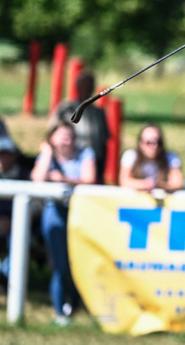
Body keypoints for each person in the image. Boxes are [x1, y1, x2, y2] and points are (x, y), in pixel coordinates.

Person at [30, 121, 97, 325]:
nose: (67, 139)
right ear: (52, 138)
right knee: (59, 265)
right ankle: (60, 311)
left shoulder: (85, 154)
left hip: (81, 215)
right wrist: (48, 154)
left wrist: (64, 179)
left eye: (70, 135)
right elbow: (37, 180)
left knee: (78, 263)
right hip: (54, 216)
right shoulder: (47, 157)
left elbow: (90, 179)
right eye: (62, 135)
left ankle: (77, 304)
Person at [51, 70, 110, 182]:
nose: (87, 89)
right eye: (84, 86)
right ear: (77, 87)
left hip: (95, 161)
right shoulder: (65, 109)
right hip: (71, 160)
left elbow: (104, 141)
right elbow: (51, 133)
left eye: (90, 86)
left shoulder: (99, 112)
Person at [0, 135, 31, 289]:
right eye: (1, 154)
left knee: (20, 237)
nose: (4, 158)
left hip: (20, 224)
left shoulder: (25, 175)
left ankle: (9, 280)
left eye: (7, 154)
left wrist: (16, 221)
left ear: (14, 155)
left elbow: (36, 206)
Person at [119, 124, 184, 192]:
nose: (154, 146)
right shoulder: (131, 156)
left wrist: (159, 185)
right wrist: (144, 184)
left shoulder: (170, 158)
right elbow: (124, 181)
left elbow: (178, 184)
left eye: (158, 142)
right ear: (140, 143)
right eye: (149, 142)